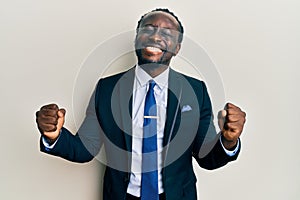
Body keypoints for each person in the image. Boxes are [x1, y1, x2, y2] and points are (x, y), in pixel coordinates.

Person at [35, 8, 246, 200]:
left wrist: (228, 141)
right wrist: (53, 135)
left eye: (167, 33)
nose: (155, 36)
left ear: (177, 47)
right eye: (149, 29)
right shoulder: (107, 89)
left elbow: (206, 157)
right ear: (137, 39)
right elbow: (84, 149)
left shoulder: (195, 91)